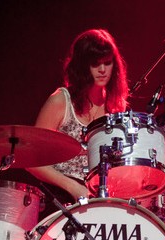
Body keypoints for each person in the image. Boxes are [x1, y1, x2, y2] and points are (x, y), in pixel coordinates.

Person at [26, 28, 129, 213]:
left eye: (108, 63)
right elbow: (31, 159)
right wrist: (71, 186)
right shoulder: (61, 100)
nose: (103, 70)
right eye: (95, 64)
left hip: (100, 199)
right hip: (60, 197)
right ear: (82, 66)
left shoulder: (116, 108)